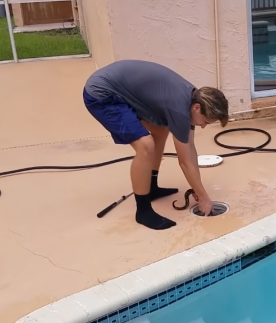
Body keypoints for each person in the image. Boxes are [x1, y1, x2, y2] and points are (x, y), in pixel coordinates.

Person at [82, 60, 230, 230]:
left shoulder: (192, 99)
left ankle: (151, 187)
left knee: (160, 130)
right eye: (205, 121)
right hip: (102, 94)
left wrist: (198, 188)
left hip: (119, 88)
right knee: (146, 146)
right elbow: (184, 162)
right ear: (197, 108)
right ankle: (143, 211)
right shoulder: (179, 110)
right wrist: (203, 197)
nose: (203, 126)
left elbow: (190, 149)